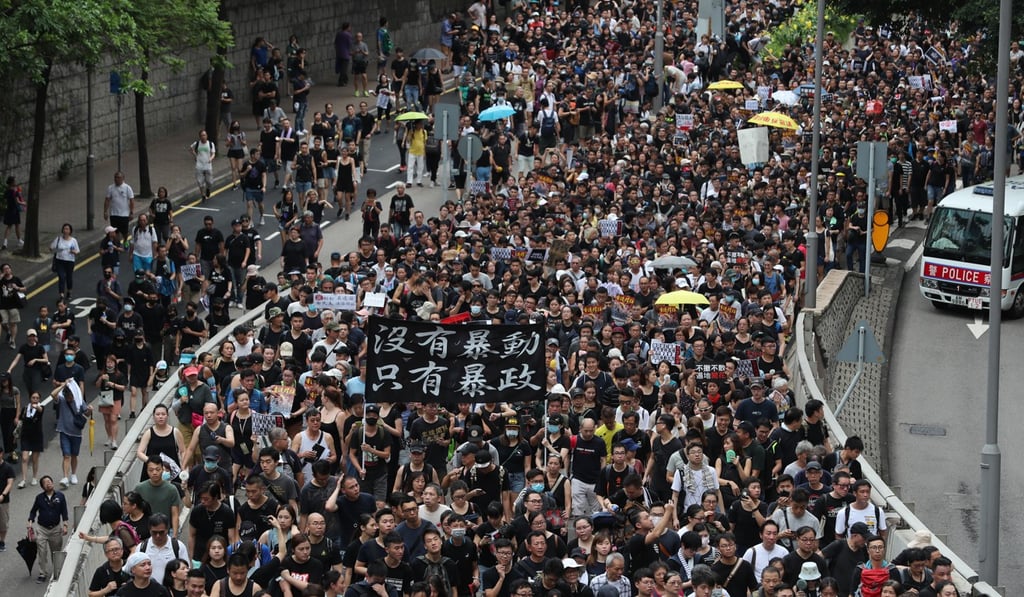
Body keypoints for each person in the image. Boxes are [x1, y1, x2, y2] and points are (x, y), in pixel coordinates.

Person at [28, 475, 70, 583]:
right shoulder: (39, 498)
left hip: (55, 528)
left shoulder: (60, 496)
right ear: (43, 487)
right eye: (45, 482)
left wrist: (65, 525)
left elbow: (64, 512)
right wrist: (30, 522)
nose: (48, 483)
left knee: (55, 552)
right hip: (42, 529)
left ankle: (58, 571)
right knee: (42, 551)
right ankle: (43, 573)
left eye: (49, 481)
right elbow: (33, 511)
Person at [51, 222, 80, 299]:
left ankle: (69, 291)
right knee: (61, 277)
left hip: (69, 261)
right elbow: (51, 248)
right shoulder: (58, 239)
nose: (65, 230)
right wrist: (57, 250)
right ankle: (61, 293)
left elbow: (77, 251)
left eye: (67, 229)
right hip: (59, 260)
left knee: (69, 277)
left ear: (70, 231)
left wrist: (73, 252)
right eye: (64, 228)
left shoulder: (73, 240)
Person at [105, 171, 135, 239]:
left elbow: (132, 201)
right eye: (115, 177)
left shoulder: (127, 188)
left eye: (118, 177)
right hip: (114, 214)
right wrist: (105, 211)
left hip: (124, 215)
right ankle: (117, 245)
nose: (116, 179)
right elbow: (107, 200)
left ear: (123, 178)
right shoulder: (110, 188)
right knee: (115, 232)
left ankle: (126, 242)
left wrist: (131, 212)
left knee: (125, 232)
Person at [192, 130, 217, 202]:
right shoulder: (196, 143)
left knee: (209, 182)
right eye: (202, 135)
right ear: (200, 136)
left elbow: (213, 153)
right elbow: (191, 149)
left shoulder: (210, 144)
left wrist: (211, 159)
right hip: (199, 165)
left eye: (204, 135)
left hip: (208, 166)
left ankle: (208, 189)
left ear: (207, 136)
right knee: (200, 182)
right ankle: (203, 195)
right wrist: (195, 156)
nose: (203, 137)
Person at [2, 176, 25, 249]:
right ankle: (19, 241)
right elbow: (17, 201)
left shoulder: (7, 191)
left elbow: (5, 199)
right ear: (12, 182)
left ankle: (5, 242)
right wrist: (24, 203)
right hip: (15, 211)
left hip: (9, 210)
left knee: (9, 226)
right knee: (17, 225)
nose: (15, 182)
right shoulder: (15, 191)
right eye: (14, 181)